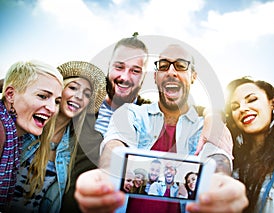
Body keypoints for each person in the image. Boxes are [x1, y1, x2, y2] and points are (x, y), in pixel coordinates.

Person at [75, 43, 241, 213]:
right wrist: (108, 173)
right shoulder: (130, 113)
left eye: (181, 65)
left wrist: (219, 181)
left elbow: (217, 156)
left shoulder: (203, 126)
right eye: (163, 66)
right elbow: (115, 145)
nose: (171, 72)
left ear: (193, 76)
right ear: (155, 76)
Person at [60, 34, 151, 213]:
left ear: (143, 77)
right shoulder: (83, 105)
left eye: (135, 70)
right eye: (119, 67)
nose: (125, 77)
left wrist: (213, 115)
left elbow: (195, 113)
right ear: (109, 66)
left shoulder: (150, 115)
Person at [9, 61, 106, 213]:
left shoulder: (74, 146)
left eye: (87, 94)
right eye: (73, 88)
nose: (79, 96)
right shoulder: (27, 126)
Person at [225, 77, 274, 213]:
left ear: (273, 104)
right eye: (235, 107)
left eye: (252, 99)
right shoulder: (230, 165)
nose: (243, 108)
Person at [0, 60, 63, 211]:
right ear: (10, 94)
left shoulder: (15, 136)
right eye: (42, 96)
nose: (52, 109)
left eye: (56, 101)